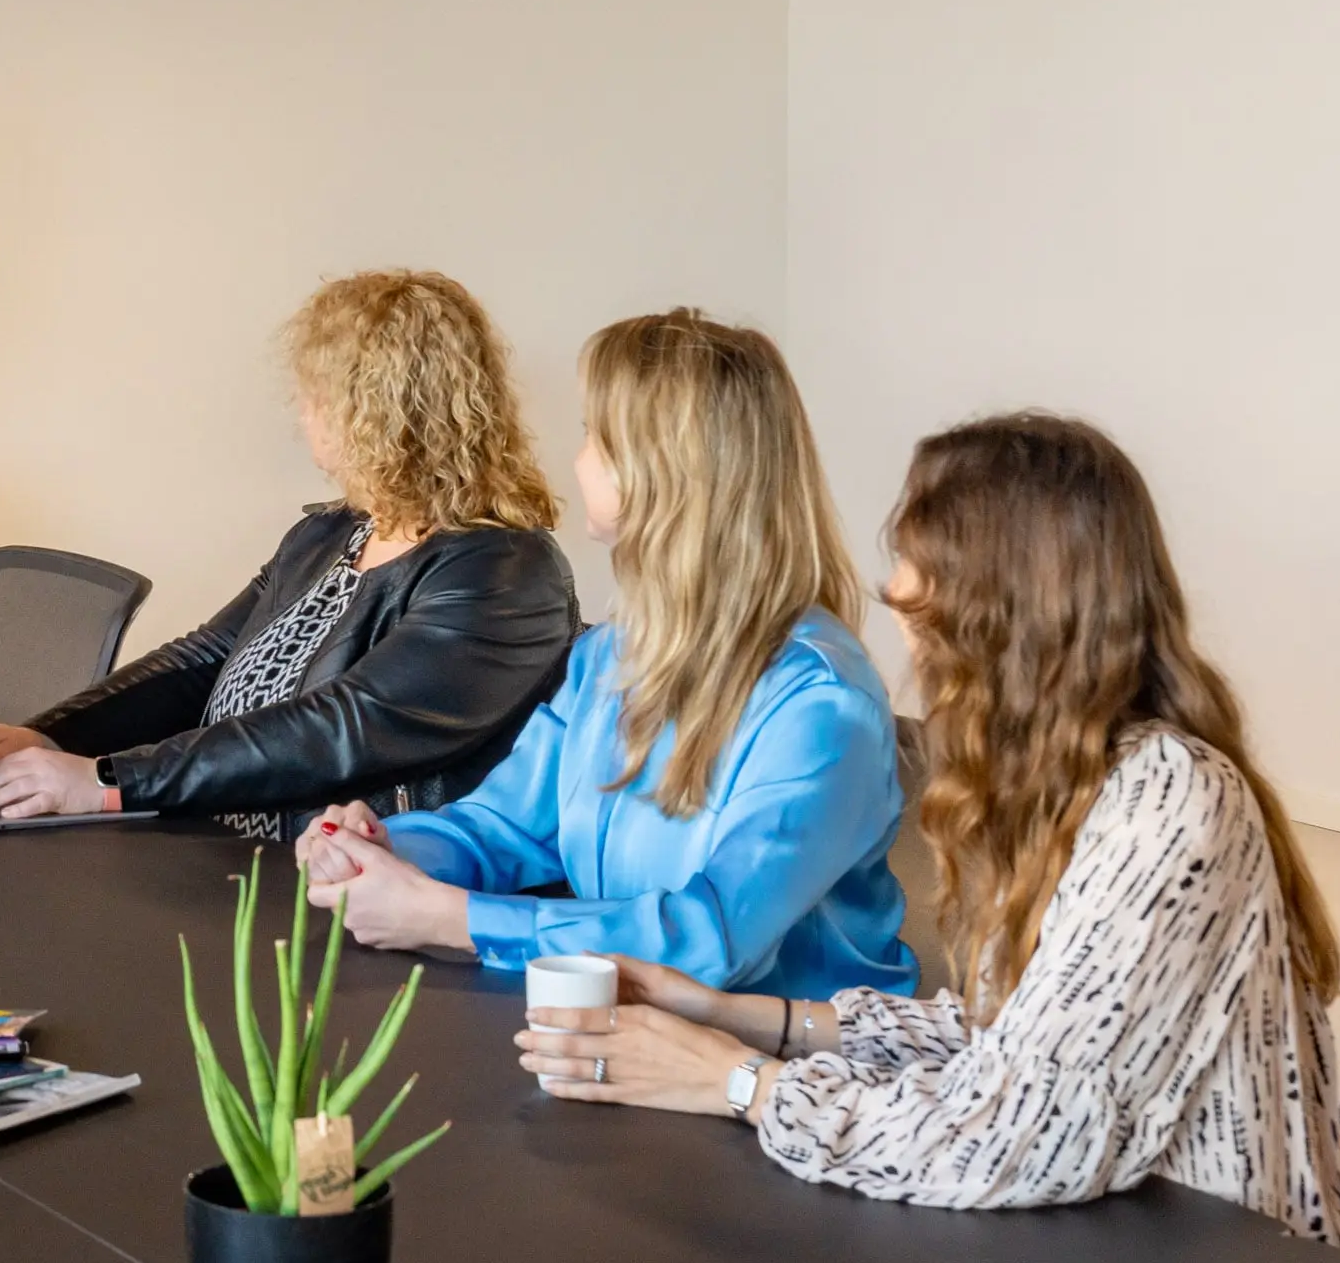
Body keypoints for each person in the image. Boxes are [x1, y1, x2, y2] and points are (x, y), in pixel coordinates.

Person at [515, 415, 1340, 1259]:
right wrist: (732, 1016)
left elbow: (1029, 1133)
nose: (894, 589)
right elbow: (1000, 1038)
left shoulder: (1166, 800)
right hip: (1124, 1250)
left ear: (1010, 601)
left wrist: (734, 1081)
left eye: (919, 567)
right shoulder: (1062, 781)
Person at [302, 309, 912, 998]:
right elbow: (503, 826)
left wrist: (453, 919)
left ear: (660, 468)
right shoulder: (611, 654)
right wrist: (378, 846)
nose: (577, 456)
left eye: (595, 434)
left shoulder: (821, 702)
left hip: (789, 1075)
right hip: (625, 1033)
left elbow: (712, 942)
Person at [0, 269, 580, 833]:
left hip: (349, 895)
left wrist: (107, 779)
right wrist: (53, 737)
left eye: (315, 396)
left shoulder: (504, 574)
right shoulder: (331, 534)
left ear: (370, 411)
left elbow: (340, 728)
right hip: (219, 849)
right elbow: (203, 659)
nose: (303, 414)